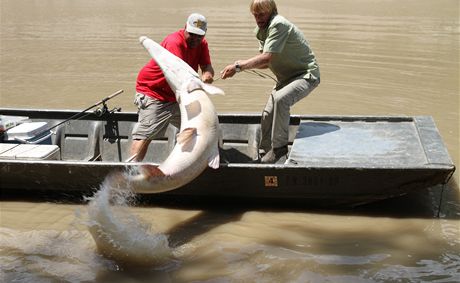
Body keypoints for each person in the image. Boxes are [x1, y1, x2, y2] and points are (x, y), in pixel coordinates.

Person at [220, 0, 320, 163]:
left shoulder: (278, 24)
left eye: (262, 14)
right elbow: (266, 63)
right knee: (267, 114)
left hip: (306, 75)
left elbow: (266, 57)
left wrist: (239, 66)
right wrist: (243, 67)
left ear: (271, 11)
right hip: (285, 79)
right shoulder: (261, 31)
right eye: (255, 15)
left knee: (282, 100)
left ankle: (279, 149)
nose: (258, 18)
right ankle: (266, 150)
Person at [129, 13, 215, 162]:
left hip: (178, 95)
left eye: (199, 36)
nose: (195, 39)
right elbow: (178, 74)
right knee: (146, 134)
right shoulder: (174, 42)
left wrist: (207, 74)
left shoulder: (202, 44)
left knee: (202, 128)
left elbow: (206, 65)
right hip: (155, 92)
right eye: (192, 34)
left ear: (204, 34)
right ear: (185, 28)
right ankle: (129, 170)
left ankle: (192, 163)